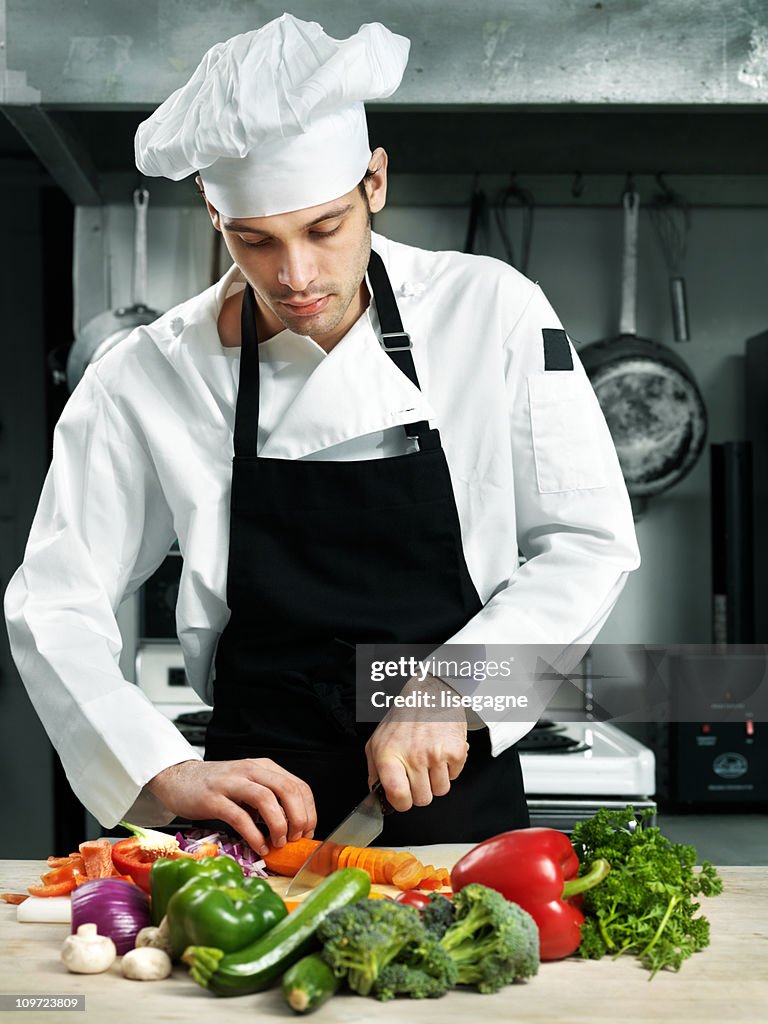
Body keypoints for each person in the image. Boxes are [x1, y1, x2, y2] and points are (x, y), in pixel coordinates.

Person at [4, 14, 640, 855]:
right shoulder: (148, 375)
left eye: (325, 228)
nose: (295, 277)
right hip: (253, 809)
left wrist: (453, 687)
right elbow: (56, 598)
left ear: (374, 182)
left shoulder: (493, 312)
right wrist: (155, 769)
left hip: (450, 790)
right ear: (211, 210)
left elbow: (587, 544)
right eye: (255, 240)